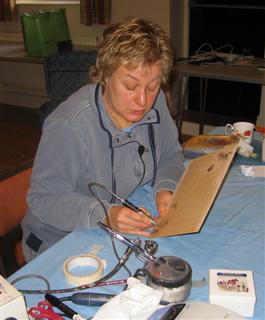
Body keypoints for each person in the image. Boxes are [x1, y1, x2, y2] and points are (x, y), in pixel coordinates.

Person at [22, 17, 185, 261]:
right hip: (59, 241)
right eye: (130, 86)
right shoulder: (68, 126)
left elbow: (171, 155)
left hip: (118, 221)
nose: (143, 100)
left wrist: (165, 190)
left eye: (152, 86)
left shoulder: (156, 99)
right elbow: (43, 199)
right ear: (105, 76)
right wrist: (104, 214)